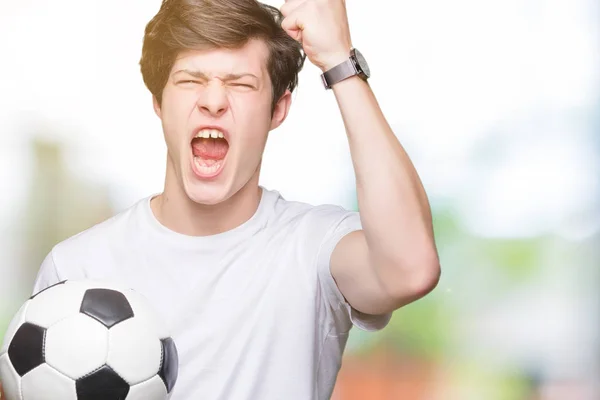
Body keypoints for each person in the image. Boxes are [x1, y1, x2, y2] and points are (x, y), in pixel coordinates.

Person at [1, 0, 440, 399]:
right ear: (158, 102)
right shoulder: (78, 266)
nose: (213, 100)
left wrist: (340, 62)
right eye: (191, 80)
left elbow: (410, 270)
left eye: (241, 84)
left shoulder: (313, 249)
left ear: (278, 110)